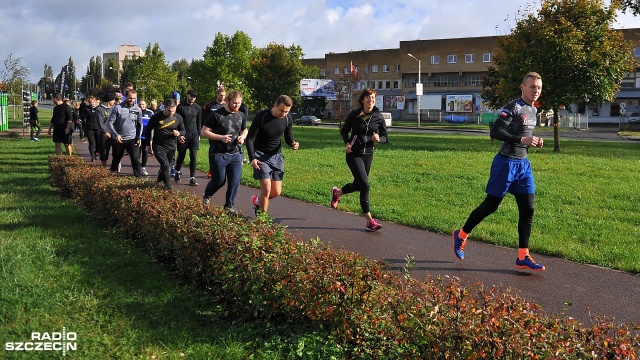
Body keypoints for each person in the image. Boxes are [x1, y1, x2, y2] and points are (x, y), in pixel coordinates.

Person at [452, 72, 546, 271]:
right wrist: (522, 140)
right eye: (532, 87)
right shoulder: (514, 107)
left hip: (523, 165)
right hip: (505, 164)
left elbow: (523, 134)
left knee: (528, 209)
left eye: (538, 87)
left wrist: (534, 141)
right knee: (490, 206)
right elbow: (495, 132)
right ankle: (461, 235)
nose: (535, 91)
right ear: (522, 87)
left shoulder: (533, 110)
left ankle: (523, 256)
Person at [330, 88, 388, 232]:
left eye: (373, 98)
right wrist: (347, 143)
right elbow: (344, 131)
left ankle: (337, 193)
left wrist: (379, 139)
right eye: (368, 98)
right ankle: (369, 221)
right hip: (353, 154)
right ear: (362, 100)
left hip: (368, 154)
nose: (370, 100)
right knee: (365, 185)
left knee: (358, 185)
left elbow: (386, 137)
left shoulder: (378, 116)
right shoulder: (355, 115)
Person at [245, 95, 299, 216]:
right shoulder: (262, 116)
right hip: (260, 156)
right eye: (282, 110)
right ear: (275, 105)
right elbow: (249, 138)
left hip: (276, 157)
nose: (284, 114)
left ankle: (257, 200)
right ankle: (261, 220)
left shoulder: (287, 118)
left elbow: (288, 136)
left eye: (287, 111)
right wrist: (252, 158)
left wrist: (292, 143)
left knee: (276, 192)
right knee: (267, 189)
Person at [201, 90, 248, 212]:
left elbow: (244, 130)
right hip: (218, 153)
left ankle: (229, 206)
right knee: (219, 180)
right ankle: (207, 195)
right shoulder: (217, 115)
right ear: (227, 101)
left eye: (239, 103)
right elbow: (204, 131)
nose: (237, 106)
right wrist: (221, 137)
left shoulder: (241, 115)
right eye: (234, 103)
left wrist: (242, 137)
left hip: (235, 154)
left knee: (235, 181)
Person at [143, 98, 185, 189]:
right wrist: (147, 145)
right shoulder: (156, 117)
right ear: (164, 108)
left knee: (166, 165)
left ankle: (159, 178)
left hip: (171, 146)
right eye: (169, 111)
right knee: (165, 165)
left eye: (173, 111)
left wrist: (179, 134)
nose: (171, 113)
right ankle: (168, 186)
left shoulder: (178, 117)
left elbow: (183, 130)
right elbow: (148, 130)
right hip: (158, 145)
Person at [106, 89, 143, 177]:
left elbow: (140, 124)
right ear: (125, 97)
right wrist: (115, 135)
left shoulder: (137, 109)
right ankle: (111, 177)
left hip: (132, 138)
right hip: (120, 139)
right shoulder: (117, 108)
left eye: (134, 98)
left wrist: (139, 137)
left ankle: (140, 180)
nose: (132, 100)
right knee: (116, 159)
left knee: (135, 159)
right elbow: (110, 122)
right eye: (130, 98)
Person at [175, 89, 203, 186]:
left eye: (194, 96)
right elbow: (177, 121)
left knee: (193, 156)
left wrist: (199, 134)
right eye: (191, 96)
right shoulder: (181, 107)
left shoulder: (198, 108)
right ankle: (177, 171)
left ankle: (192, 178)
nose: (193, 98)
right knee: (181, 155)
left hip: (194, 135)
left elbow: (199, 122)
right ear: (187, 95)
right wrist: (179, 134)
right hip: (183, 134)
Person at [203, 86, 227, 178]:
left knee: (223, 150)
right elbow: (203, 115)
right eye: (220, 95)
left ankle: (221, 168)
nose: (222, 97)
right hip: (212, 131)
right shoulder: (210, 105)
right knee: (213, 148)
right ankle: (211, 168)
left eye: (224, 95)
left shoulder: (226, 105)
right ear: (217, 95)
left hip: (223, 131)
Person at [98, 92, 117, 167]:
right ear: (109, 101)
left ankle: (114, 168)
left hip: (114, 133)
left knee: (116, 151)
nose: (114, 101)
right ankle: (104, 168)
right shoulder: (100, 109)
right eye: (113, 100)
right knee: (104, 152)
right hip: (105, 134)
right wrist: (105, 131)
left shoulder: (115, 108)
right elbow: (100, 122)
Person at [83, 95, 102, 163]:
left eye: (93, 102)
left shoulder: (99, 108)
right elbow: (83, 116)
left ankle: (97, 152)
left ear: (96, 102)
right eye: (90, 102)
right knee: (91, 142)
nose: (92, 103)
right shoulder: (87, 108)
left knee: (98, 142)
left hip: (98, 127)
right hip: (90, 128)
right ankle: (92, 156)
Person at [138, 98, 155, 176]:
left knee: (145, 153)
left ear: (146, 105)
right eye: (140, 104)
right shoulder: (135, 111)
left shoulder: (150, 113)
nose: (141, 106)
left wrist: (151, 137)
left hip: (146, 136)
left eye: (143, 104)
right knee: (136, 154)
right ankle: (137, 168)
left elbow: (153, 126)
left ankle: (143, 167)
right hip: (137, 136)